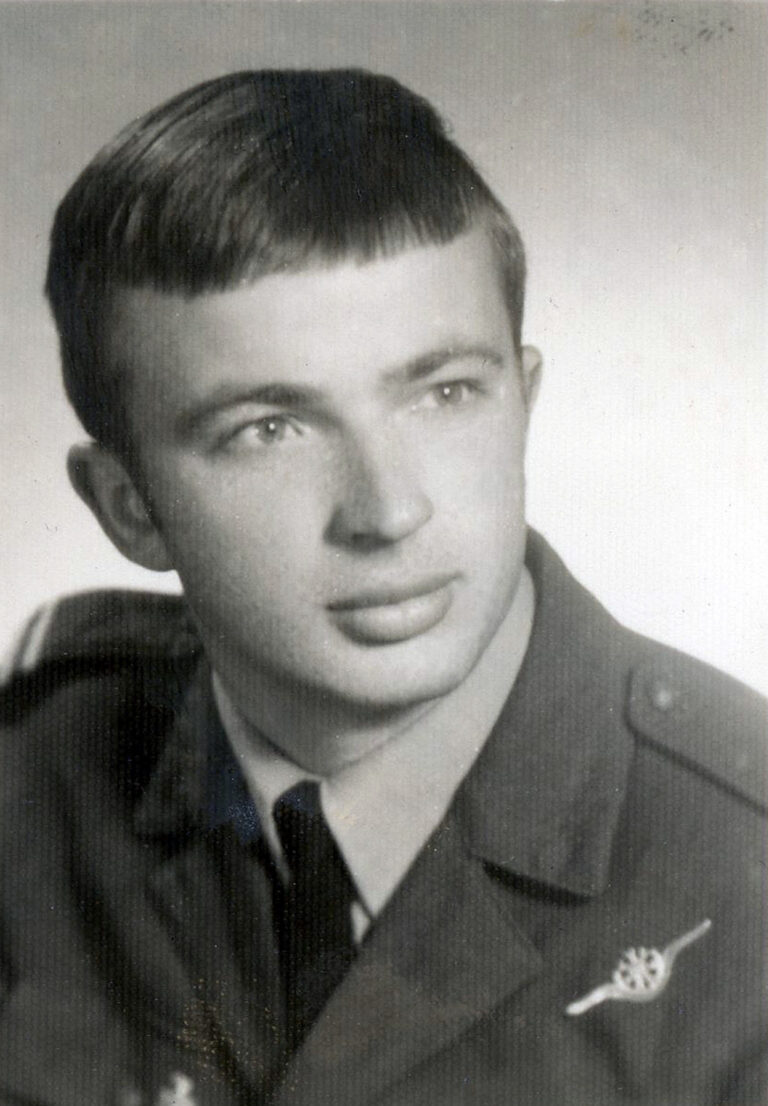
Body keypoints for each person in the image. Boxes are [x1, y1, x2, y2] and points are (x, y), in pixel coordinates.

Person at [1, 68, 765, 1106]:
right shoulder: (32, 780)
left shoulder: (742, 862)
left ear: (523, 401)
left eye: (445, 393)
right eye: (269, 429)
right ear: (128, 507)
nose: (388, 511)